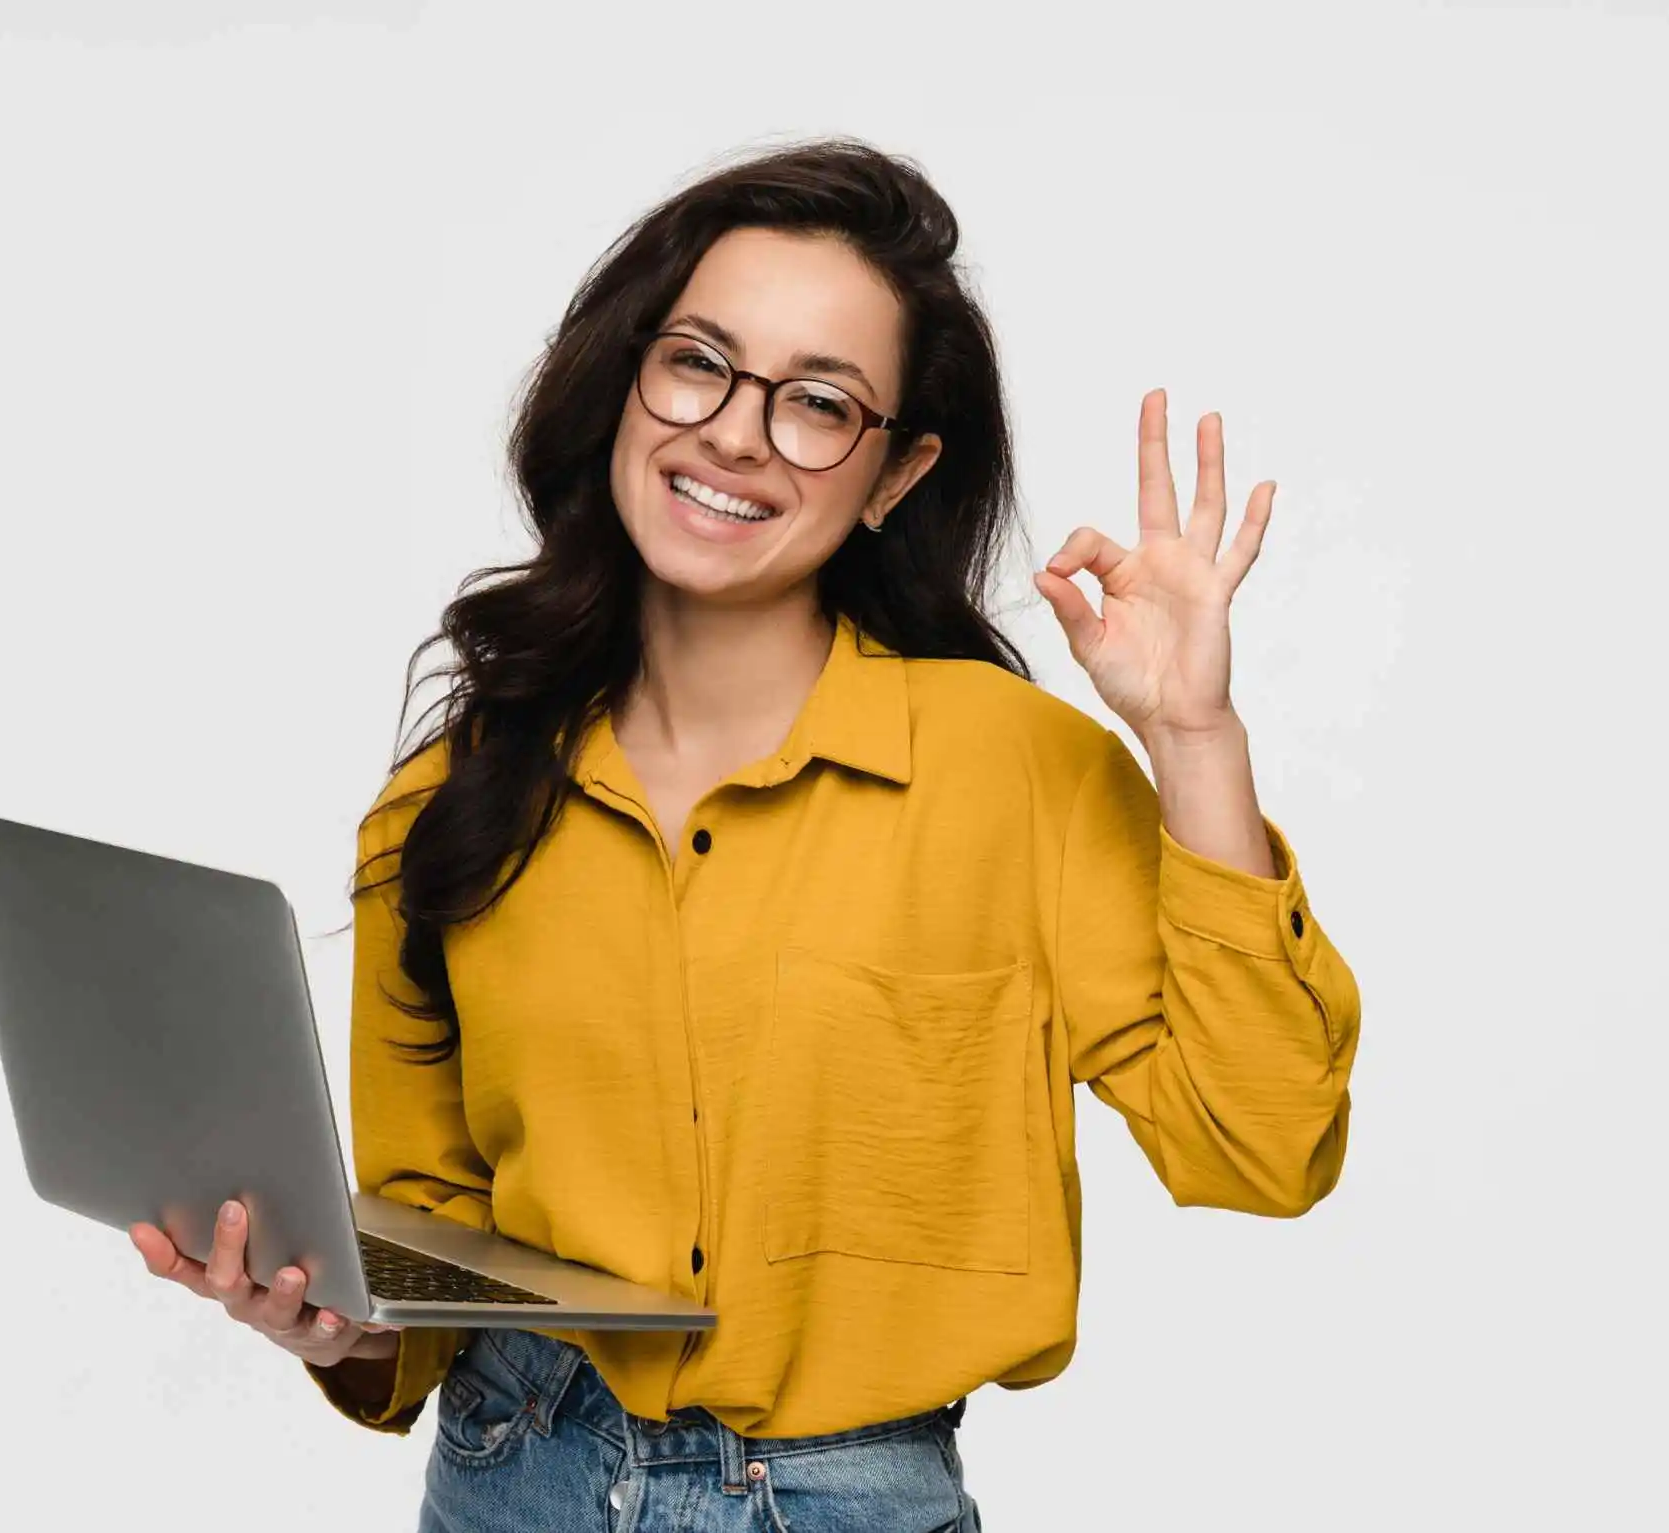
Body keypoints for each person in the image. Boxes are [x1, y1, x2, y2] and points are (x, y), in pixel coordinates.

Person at [129, 137, 1361, 1531]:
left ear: (892, 476)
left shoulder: (1015, 772)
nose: (730, 432)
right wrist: (328, 1322)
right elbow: (424, 1231)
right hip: (509, 1472)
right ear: (626, 381)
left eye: (819, 402)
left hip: (846, 1497)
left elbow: (1261, 1147)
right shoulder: (449, 799)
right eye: (699, 363)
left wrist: (1193, 739)